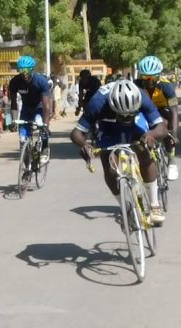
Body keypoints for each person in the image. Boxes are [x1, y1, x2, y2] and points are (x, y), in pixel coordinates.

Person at [70, 80, 166, 225]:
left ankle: (154, 205)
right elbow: (77, 133)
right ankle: (125, 207)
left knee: (143, 151)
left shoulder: (141, 97)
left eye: (129, 114)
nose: (125, 118)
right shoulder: (98, 103)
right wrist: (84, 145)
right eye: (123, 115)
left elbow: (161, 127)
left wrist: (151, 135)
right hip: (109, 126)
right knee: (109, 166)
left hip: (136, 124)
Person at [135, 55, 179, 180]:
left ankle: (171, 161)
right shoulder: (136, 85)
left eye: (153, 77)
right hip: (144, 111)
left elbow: (174, 111)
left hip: (163, 111)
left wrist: (174, 133)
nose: (149, 81)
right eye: (145, 77)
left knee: (166, 126)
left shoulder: (167, 87)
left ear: (159, 75)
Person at [9, 56, 52, 160]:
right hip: (26, 109)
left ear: (32, 69)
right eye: (21, 70)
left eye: (27, 70)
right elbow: (13, 103)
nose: (24, 73)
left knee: (42, 127)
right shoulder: (14, 82)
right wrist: (13, 120)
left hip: (40, 108)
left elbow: (46, 105)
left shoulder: (41, 81)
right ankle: (26, 167)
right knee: (23, 137)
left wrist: (46, 125)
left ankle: (45, 147)